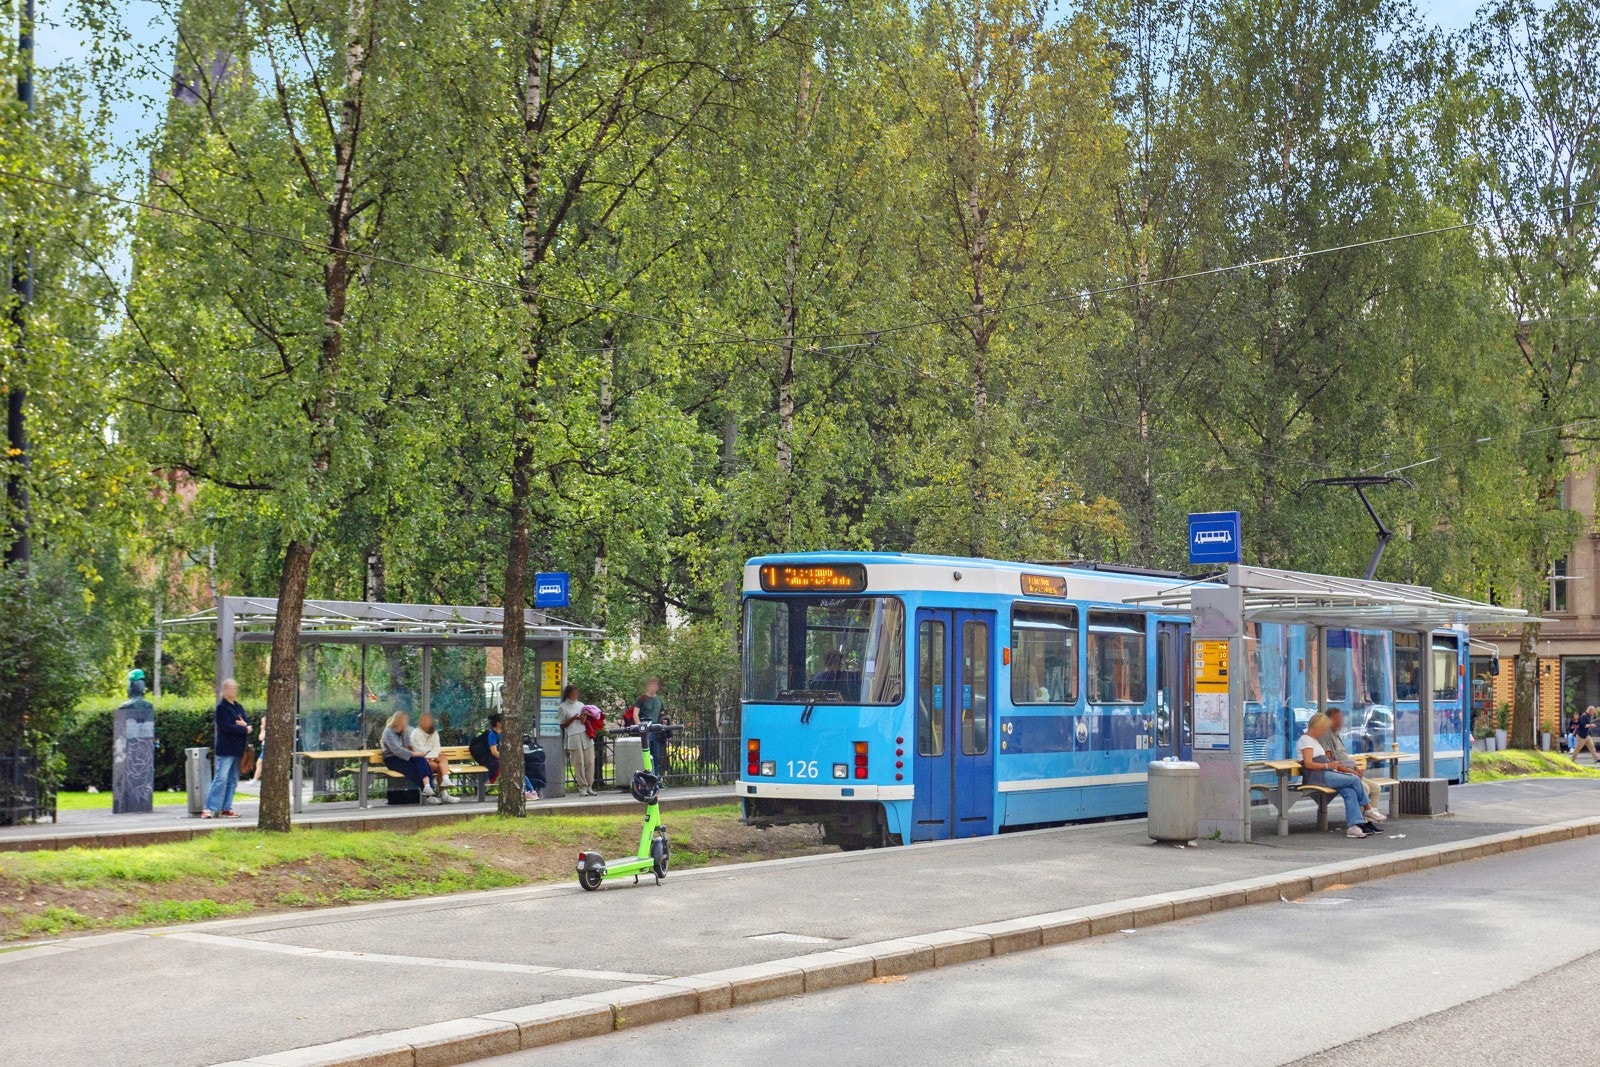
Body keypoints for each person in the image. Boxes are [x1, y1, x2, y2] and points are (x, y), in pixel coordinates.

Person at [1297, 711, 1381, 839]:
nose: (1324, 732)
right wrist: (1328, 766)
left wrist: (1347, 769)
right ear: (1317, 726)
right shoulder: (1306, 740)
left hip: (1326, 773)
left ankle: (1354, 826)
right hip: (1318, 776)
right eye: (1323, 728)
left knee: (1350, 792)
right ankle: (1368, 808)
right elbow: (1308, 764)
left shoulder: (1314, 740)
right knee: (1353, 780)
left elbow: (1331, 761)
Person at [1324, 707, 1386, 824]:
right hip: (1340, 774)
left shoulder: (1336, 735)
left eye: (1341, 719)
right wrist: (1351, 771)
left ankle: (1369, 821)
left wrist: (1354, 767)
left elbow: (1342, 757)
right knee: (1365, 788)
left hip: (1349, 771)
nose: (1341, 722)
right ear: (1329, 720)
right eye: (1337, 719)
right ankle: (1362, 820)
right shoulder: (1325, 736)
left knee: (1376, 788)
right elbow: (1331, 761)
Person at [204, 679, 251, 818]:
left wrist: (242, 725)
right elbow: (226, 727)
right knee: (221, 778)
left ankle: (226, 808)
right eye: (230, 688)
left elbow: (246, 723)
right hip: (226, 749)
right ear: (224, 690)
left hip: (237, 749)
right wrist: (242, 727)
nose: (233, 691)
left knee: (233, 779)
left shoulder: (238, 707)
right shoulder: (221, 708)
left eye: (234, 688)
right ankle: (209, 808)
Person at [381, 711, 441, 802]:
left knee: (422, 761)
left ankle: (428, 788)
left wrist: (417, 753)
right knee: (414, 769)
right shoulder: (388, 732)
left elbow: (408, 746)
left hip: (405, 757)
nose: (406, 723)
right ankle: (429, 795)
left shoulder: (403, 732)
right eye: (404, 720)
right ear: (398, 720)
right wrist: (413, 754)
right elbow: (397, 750)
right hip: (392, 759)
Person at [410, 712, 458, 803]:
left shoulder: (434, 733)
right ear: (420, 721)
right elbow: (420, 751)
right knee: (440, 766)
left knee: (443, 757)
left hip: (432, 757)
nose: (427, 723)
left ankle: (446, 779)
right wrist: (430, 756)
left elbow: (437, 748)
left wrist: (431, 756)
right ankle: (444, 794)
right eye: (425, 720)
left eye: (429, 721)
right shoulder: (415, 733)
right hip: (422, 760)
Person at [559, 685, 595, 796]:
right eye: (573, 693)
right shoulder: (563, 707)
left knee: (589, 762)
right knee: (579, 762)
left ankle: (589, 786)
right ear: (568, 694)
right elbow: (562, 724)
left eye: (577, 693)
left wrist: (585, 716)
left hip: (585, 734)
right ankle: (582, 787)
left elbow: (584, 720)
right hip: (573, 736)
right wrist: (574, 718)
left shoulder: (581, 705)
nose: (576, 695)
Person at [636, 677, 668, 785]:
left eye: (654, 685)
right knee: (646, 756)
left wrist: (664, 721)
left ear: (657, 687)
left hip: (656, 731)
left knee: (656, 756)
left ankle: (656, 779)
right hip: (645, 731)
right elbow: (635, 714)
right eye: (650, 685)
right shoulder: (641, 699)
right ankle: (646, 780)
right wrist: (639, 728)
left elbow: (662, 713)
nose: (652, 687)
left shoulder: (659, 700)